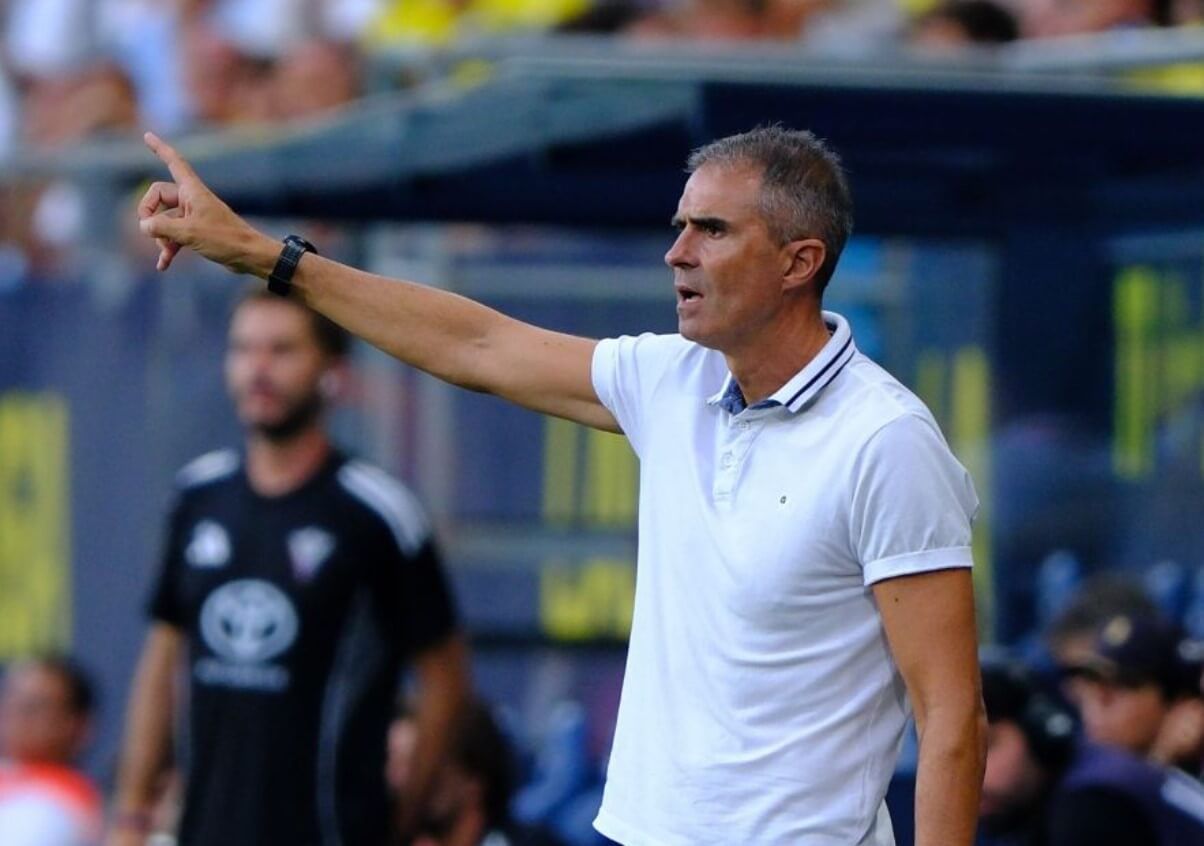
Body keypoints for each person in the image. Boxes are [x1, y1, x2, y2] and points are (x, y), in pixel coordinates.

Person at [136, 124, 986, 845]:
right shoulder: (674, 380)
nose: (676, 252)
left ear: (800, 261)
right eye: (679, 224)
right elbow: (476, 346)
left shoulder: (886, 440)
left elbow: (949, 718)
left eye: (712, 230)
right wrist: (260, 255)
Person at [107, 287, 470, 846]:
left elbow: (445, 680)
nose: (258, 369)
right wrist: (131, 815)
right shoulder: (196, 496)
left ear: (333, 370)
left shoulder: (377, 513)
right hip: (205, 831)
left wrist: (398, 820)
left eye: (281, 350)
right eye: (243, 349)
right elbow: (161, 659)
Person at [979, 655, 1204, 846]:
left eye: (988, 745)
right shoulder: (1094, 774)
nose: (973, 775)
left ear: (1041, 732)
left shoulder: (1091, 808)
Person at [1059, 613, 1204, 774]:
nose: (1099, 699)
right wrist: (1158, 762)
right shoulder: (1062, 761)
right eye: (1093, 681)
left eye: (1122, 684)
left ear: (1178, 703)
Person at [0, 656, 103, 846]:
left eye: (33, 706)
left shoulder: (60, 805)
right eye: (10, 698)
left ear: (76, 725)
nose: (14, 713)